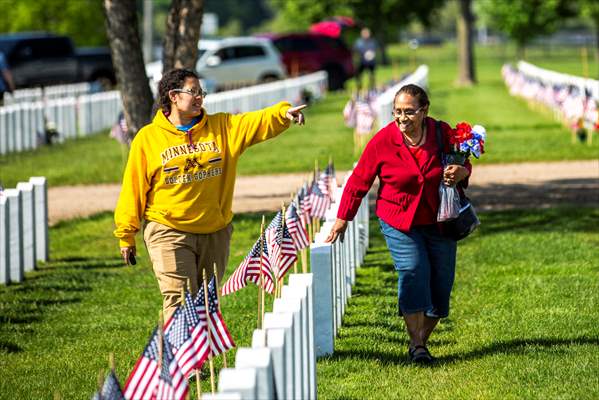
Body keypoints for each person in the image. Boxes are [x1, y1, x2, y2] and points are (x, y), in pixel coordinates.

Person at [114, 68, 306, 320]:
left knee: (205, 302)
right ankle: (180, 360)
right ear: (173, 95)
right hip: (167, 229)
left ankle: (200, 359)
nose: (199, 97)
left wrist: (282, 113)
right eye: (193, 92)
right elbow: (133, 188)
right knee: (179, 299)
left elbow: (255, 121)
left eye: (201, 92)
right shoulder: (148, 138)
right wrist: (126, 234)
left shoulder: (222, 127)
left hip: (214, 230)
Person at [326, 84, 471, 363]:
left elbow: (463, 161)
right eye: (397, 112)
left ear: (424, 110)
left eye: (409, 112)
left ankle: (419, 340)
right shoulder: (383, 141)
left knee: (441, 285)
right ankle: (417, 346)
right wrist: (343, 218)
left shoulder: (441, 133)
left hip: (440, 219)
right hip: (399, 220)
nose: (402, 118)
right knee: (413, 270)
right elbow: (359, 182)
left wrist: (462, 171)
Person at [353, 27, 378, 92]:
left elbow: (375, 50)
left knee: (372, 75)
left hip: (371, 62)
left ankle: (372, 87)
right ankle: (359, 87)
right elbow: (355, 51)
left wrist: (371, 54)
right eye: (364, 33)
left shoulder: (372, 42)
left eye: (367, 33)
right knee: (359, 76)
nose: (366, 34)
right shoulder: (358, 42)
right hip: (362, 62)